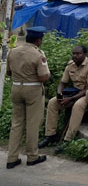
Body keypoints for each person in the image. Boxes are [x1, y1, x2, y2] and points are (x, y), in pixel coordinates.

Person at [6, 26, 51, 169]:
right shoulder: (38, 54)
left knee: (17, 124)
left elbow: (8, 72)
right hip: (33, 89)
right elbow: (43, 77)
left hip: (16, 87)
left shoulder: (13, 51)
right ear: (38, 40)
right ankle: (32, 156)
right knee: (32, 124)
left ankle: (12, 158)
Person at [38, 45, 88, 149]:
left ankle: (68, 139)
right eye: (74, 53)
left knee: (78, 105)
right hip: (73, 93)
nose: (75, 56)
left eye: (78, 54)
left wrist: (71, 99)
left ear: (85, 54)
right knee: (53, 102)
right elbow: (63, 82)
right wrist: (59, 94)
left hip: (87, 94)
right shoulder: (71, 65)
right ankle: (50, 135)